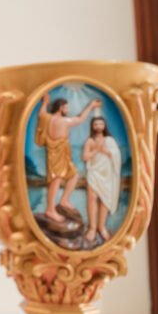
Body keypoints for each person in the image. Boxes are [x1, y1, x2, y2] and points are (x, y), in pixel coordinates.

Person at [36, 95, 101, 223]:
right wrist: (91, 106)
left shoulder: (46, 118)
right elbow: (81, 119)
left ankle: (64, 200)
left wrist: (45, 102)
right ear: (60, 108)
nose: (68, 109)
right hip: (57, 154)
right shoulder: (64, 121)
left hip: (61, 154)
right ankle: (50, 210)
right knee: (56, 180)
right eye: (66, 107)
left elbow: (41, 113)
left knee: (74, 175)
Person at [82, 116, 121, 242]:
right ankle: (92, 228)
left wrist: (105, 150)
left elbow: (115, 155)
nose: (98, 126)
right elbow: (85, 157)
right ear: (92, 126)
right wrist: (96, 150)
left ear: (104, 126)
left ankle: (101, 226)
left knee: (105, 200)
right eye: (96, 124)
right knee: (92, 198)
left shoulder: (109, 140)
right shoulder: (90, 141)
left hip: (107, 173)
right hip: (94, 172)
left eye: (101, 124)